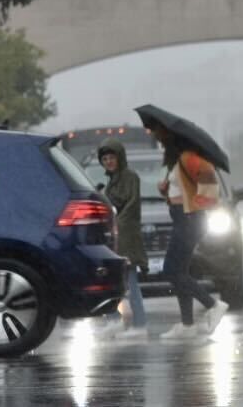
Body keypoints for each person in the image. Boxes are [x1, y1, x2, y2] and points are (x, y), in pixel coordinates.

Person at [152, 125, 228, 339]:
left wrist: (187, 203)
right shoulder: (176, 161)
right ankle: (187, 324)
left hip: (190, 220)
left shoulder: (191, 158)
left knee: (171, 270)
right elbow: (182, 192)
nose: (161, 143)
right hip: (182, 218)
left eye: (163, 140)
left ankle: (213, 305)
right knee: (180, 272)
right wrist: (166, 192)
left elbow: (211, 191)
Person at [97, 138, 148, 338]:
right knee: (113, 281)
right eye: (105, 158)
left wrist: (115, 222)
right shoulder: (111, 182)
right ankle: (115, 320)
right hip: (114, 238)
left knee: (130, 281)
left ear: (120, 158)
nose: (109, 161)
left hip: (126, 238)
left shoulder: (130, 177)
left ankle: (139, 325)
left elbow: (131, 206)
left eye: (112, 157)